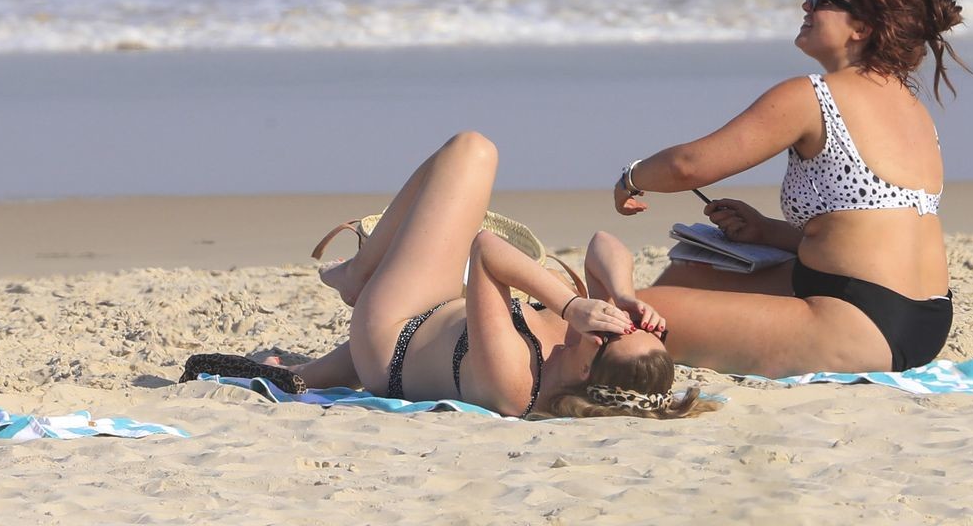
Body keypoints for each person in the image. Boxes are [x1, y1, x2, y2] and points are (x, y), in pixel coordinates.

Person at [615, 0, 965, 378]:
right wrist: (767, 231)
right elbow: (870, 232)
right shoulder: (911, 108)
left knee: (632, 314)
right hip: (925, 319)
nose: (807, 5)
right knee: (692, 271)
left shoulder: (813, 95)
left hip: (862, 322)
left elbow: (688, 167)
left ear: (861, 27)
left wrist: (631, 178)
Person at [247, 133, 715, 419]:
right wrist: (624, 295)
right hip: (441, 318)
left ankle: (359, 275)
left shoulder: (514, 383)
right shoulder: (586, 343)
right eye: (640, 328)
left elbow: (486, 248)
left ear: (587, 371)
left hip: (393, 331)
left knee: (471, 151)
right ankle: (310, 371)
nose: (621, 324)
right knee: (302, 376)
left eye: (619, 333)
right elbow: (602, 243)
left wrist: (571, 304)